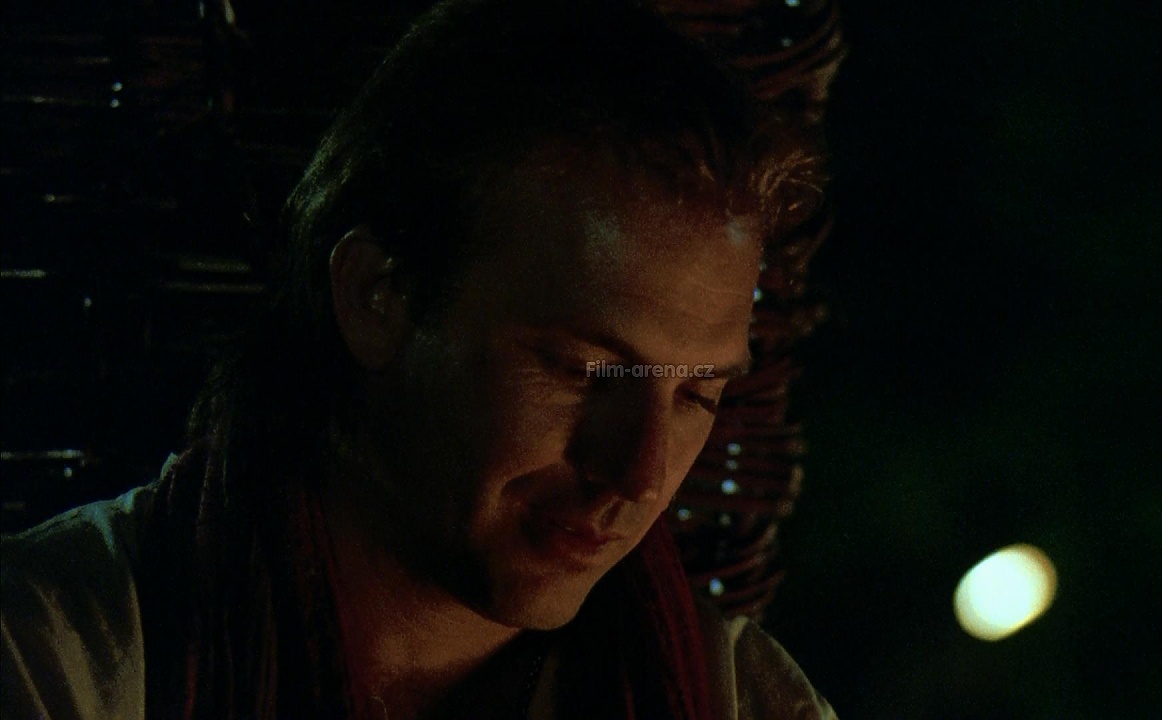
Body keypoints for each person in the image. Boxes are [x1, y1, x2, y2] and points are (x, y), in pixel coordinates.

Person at [1, 0, 834, 717]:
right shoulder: (53, 661)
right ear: (379, 298)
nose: (640, 473)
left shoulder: (744, 699)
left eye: (696, 395)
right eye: (584, 370)